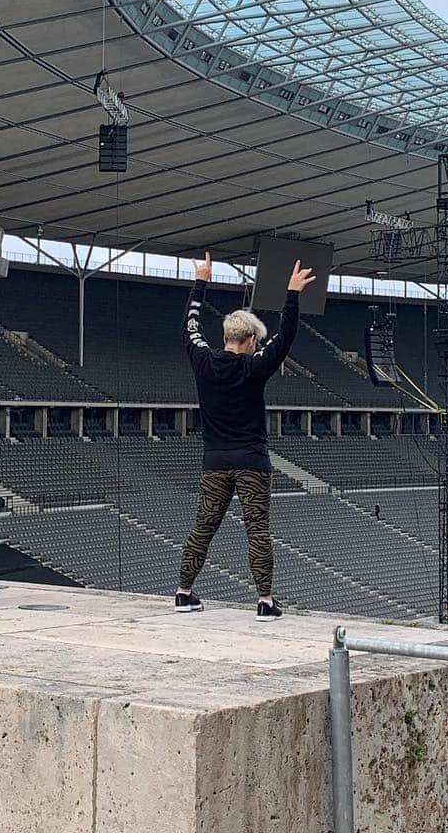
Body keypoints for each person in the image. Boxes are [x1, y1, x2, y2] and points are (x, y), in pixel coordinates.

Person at [175, 251, 315, 620]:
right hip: (252, 461)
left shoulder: (202, 361)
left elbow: (189, 325)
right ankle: (265, 601)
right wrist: (292, 293)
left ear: (224, 337)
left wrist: (201, 281)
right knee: (257, 529)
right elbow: (286, 336)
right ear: (251, 339)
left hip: (215, 461)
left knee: (203, 526)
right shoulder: (254, 367)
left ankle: (183, 592)